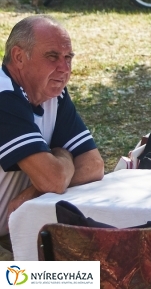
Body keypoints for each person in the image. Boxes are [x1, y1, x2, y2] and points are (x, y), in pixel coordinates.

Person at [0, 16, 104, 259]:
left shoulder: (52, 94)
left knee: (94, 270)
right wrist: (63, 154)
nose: (64, 68)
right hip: (11, 233)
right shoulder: (4, 97)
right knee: (69, 279)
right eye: (52, 56)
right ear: (18, 57)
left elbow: (93, 165)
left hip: (15, 229)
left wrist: (32, 193)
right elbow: (54, 180)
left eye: (68, 58)